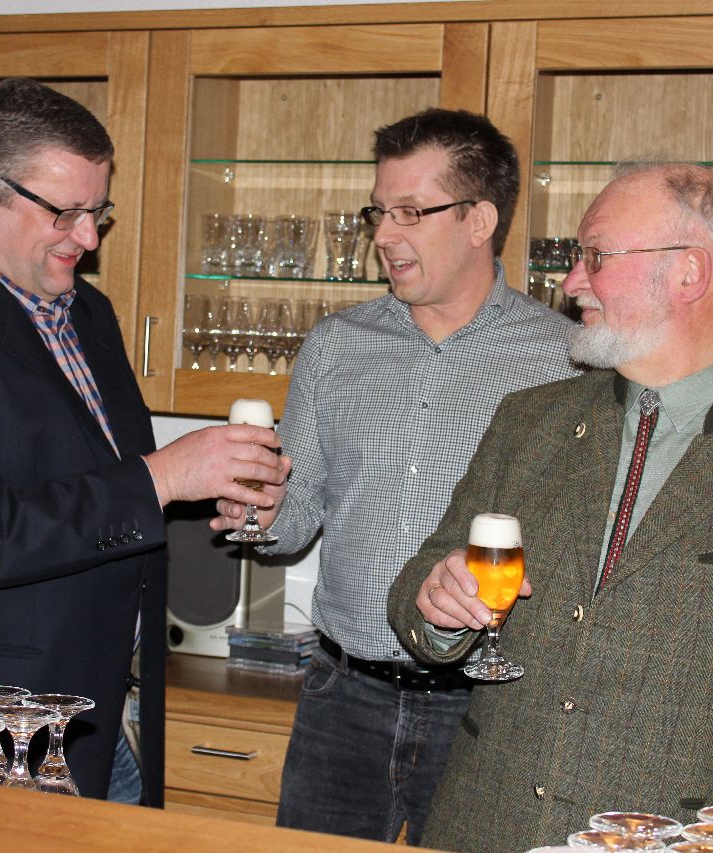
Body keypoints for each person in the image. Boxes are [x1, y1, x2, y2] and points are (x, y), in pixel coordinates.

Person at [388, 160, 713, 850]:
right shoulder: (528, 421)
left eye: (596, 256)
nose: (571, 282)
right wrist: (436, 603)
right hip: (485, 828)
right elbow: (420, 581)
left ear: (689, 272)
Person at [0, 78, 287, 802]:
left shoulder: (89, 313)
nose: (88, 238)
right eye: (66, 212)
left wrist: (214, 493)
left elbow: (91, 492)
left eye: (97, 212)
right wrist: (164, 477)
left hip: (93, 711)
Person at [212, 108, 579, 843]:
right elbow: (296, 518)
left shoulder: (566, 358)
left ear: (479, 220)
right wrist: (260, 514)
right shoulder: (335, 345)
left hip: (490, 706)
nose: (383, 235)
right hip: (341, 695)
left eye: (410, 212)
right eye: (379, 212)